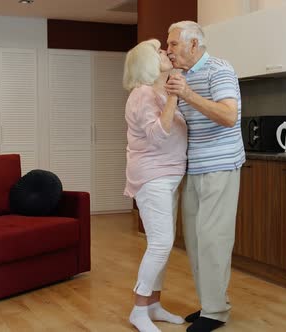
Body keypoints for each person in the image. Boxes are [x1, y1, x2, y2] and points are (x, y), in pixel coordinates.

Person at [165, 21, 245, 332]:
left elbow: (228, 115)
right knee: (197, 242)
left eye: (173, 44)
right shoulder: (181, 75)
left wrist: (187, 94)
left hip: (221, 165)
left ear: (194, 45)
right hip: (194, 167)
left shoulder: (219, 69)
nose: (169, 49)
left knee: (214, 240)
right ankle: (210, 304)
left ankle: (216, 312)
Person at [123, 39, 188, 332]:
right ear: (148, 63)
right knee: (161, 244)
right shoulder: (143, 94)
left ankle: (153, 305)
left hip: (169, 177)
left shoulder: (157, 93)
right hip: (152, 178)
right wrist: (175, 94)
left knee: (163, 243)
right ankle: (138, 310)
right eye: (159, 52)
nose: (166, 52)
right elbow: (158, 135)